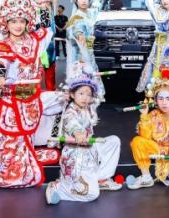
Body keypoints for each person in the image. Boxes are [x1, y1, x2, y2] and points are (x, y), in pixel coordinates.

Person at [0, 0, 59, 188]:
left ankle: (48, 142)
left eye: (22, 21)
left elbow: (46, 30)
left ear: (27, 22)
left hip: (31, 98)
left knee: (62, 100)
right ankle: (9, 170)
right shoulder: (3, 44)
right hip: (12, 99)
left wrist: (44, 9)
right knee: (10, 139)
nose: (18, 25)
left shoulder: (34, 40)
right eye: (13, 21)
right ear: (6, 23)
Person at [45, 67, 122, 204]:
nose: (85, 98)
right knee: (92, 194)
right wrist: (78, 133)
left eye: (88, 94)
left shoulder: (88, 107)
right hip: (76, 155)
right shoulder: (70, 111)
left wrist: (90, 76)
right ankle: (58, 187)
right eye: (81, 93)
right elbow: (71, 123)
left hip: (89, 149)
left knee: (114, 141)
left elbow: (97, 98)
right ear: (72, 94)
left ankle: (101, 179)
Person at [66, 0, 104, 102]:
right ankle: (80, 99)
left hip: (89, 50)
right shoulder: (76, 16)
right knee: (82, 75)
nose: (83, 1)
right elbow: (76, 30)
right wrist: (80, 36)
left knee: (90, 74)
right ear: (76, 1)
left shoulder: (89, 13)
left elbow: (97, 7)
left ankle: (88, 99)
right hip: (80, 53)